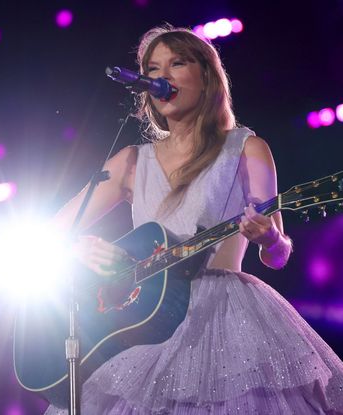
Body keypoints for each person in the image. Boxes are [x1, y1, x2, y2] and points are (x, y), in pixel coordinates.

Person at [45, 25, 343, 414]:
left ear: (206, 77)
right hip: (145, 323)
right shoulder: (132, 161)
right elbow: (53, 232)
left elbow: (278, 254)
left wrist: (269, 238)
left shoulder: (246, 148)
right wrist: (79, 250)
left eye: (177, 63)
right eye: (152, 69)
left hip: (228, 315)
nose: (161, 77)